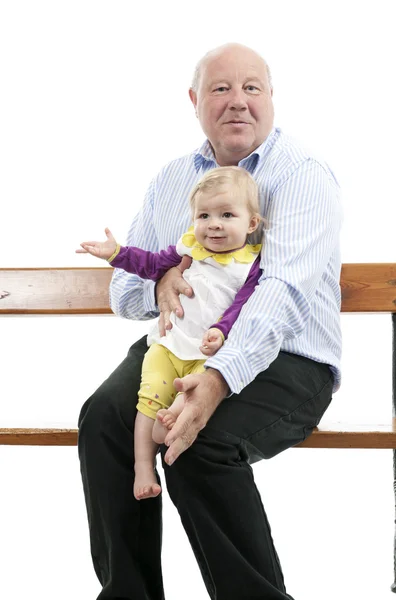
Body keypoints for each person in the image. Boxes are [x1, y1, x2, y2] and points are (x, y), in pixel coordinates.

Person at [78, 42, 342, 600]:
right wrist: (159, 280)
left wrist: (218, 379)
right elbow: (124, 293)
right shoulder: (173, 179)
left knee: (199, 442)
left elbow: (282, 292)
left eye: (252, 88)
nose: (237, 102)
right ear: (196, 101)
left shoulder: (303, 175)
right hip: (178, 345)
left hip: (289, 360)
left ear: (272, 99)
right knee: (104, 416)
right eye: (221, 89)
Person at [77, 166, 262, 501]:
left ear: (251, 223)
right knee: (147, 400)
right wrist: (117, 254)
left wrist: (221, 332)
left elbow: (243, 307)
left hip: (207, 356)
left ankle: (168, 423)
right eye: (204, 215)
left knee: (189, 400)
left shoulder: (249, 265)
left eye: (227, 215)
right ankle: (143, 468)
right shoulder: (189, 249)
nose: (214, 224)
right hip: (168, 346)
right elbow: (150, 264)